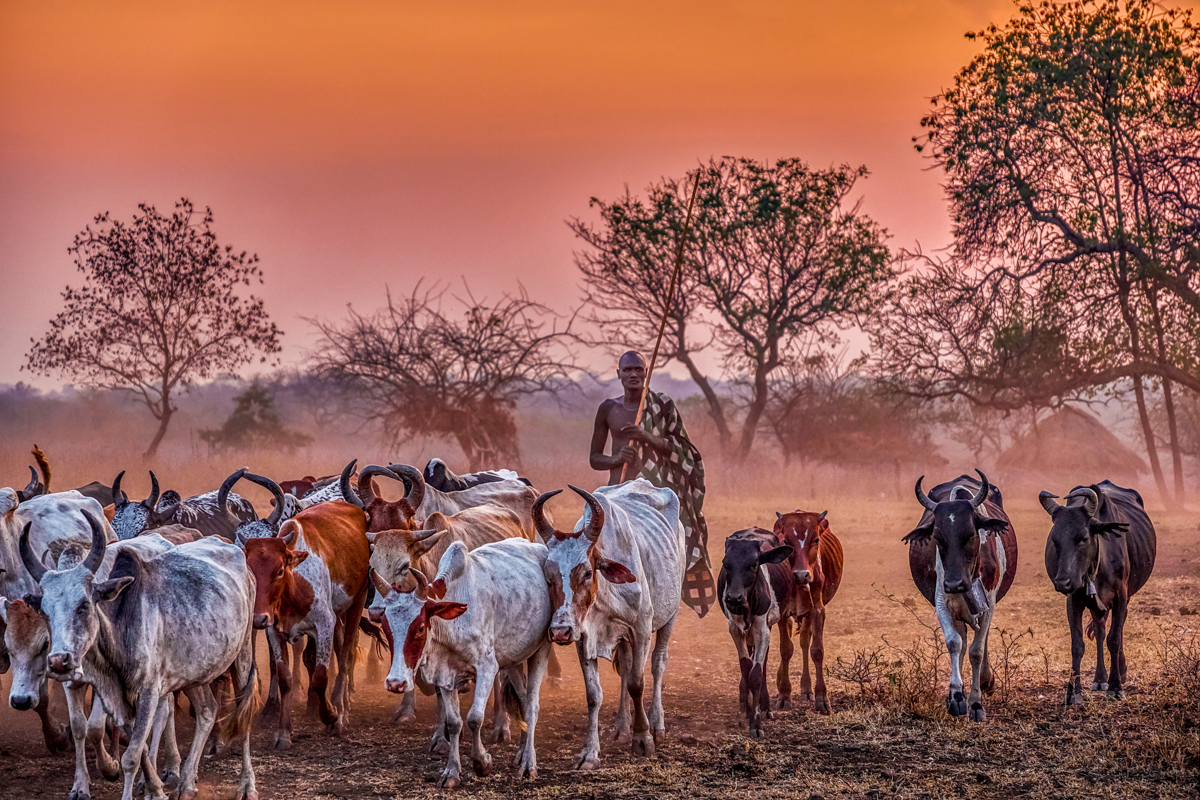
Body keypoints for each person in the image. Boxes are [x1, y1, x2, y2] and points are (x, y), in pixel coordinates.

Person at [589, 350, 716, 617]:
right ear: (619, 374)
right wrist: (616, 459)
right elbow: (594, 458)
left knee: (656, 558)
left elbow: (685, 451)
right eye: (627, 370)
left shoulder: (662, 406)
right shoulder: (608, 409)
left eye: (638, 369)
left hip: (654, 495)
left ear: (646, 373)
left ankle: (659, 607)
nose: (633, 374)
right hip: (618, 491)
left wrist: (647, 437)